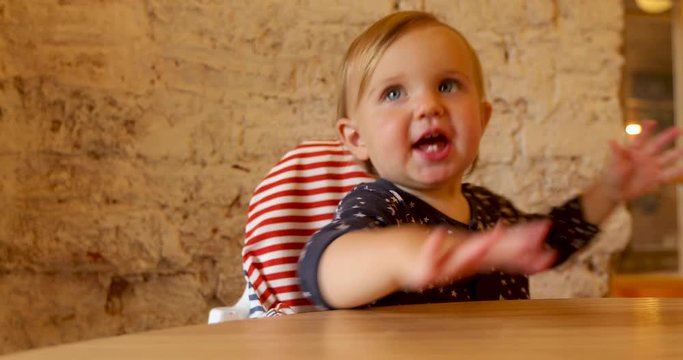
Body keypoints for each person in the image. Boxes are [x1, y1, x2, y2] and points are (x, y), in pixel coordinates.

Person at [297, 11, 683, 310]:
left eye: (447, 86)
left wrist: (611, 190)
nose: (429, 106)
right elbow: (323, 269)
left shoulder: (489, 210)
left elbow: (549, 242)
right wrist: (407, 256)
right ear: (356, 138)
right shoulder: (379, 206)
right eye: (394, 93)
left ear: (482, 119)